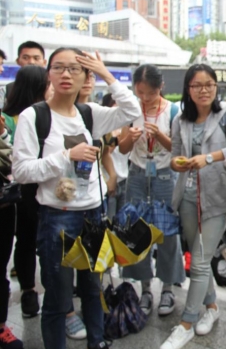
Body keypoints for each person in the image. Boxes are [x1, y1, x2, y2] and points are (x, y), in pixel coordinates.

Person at [12, 48, 140, 349]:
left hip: (92, 213)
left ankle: (97, 341)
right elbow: (21, 171)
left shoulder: (88, 113)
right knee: (58, 298)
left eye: (74, 69)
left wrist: (106, 74)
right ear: (49, 74)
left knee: (92, 289)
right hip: (57, 216)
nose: (66, 74)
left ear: (85, 76)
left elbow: (131, 110)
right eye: (58, 68)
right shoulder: (35, 116)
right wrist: (67, 155)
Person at [163, 64, 226, 349]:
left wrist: (210, 157)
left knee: (200, 261)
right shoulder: (180, 120)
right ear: (188, 89)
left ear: (216, 87)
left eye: (209, 84)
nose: (204, 90)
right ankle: (212, 308)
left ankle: (186, 324)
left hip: (218, 197)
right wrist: (177, 163)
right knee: (199, 257)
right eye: (197, 85)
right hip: (188, 197)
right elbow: (174, 156)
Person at [118, 64, 184, 317]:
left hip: (164, 176)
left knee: (167, 233)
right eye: (140, 92)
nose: (145, 98)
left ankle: (167, 288)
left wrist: (160, 136)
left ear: (161, 87)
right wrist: (131, 138)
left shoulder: (174, 111)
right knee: (137, 232)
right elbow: (123, 149)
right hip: (137, 175)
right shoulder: (131, 110)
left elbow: (179, 149)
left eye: (151, 93)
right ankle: (145, 288)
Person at [0, 66, 48, 349]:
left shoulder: (48, 114)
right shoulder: (8, 119)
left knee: (34, 241)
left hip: (41, 188)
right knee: (21, 243)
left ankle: (34, 291)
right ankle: (27, 292)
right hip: (15, 193)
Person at [101, 94, 129, 219]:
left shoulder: (126, 127)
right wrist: (114, 139)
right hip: (109, 181)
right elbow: (105, 153)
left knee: (124, 220)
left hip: (124, 180)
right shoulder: (104, 128)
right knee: (109, 220)